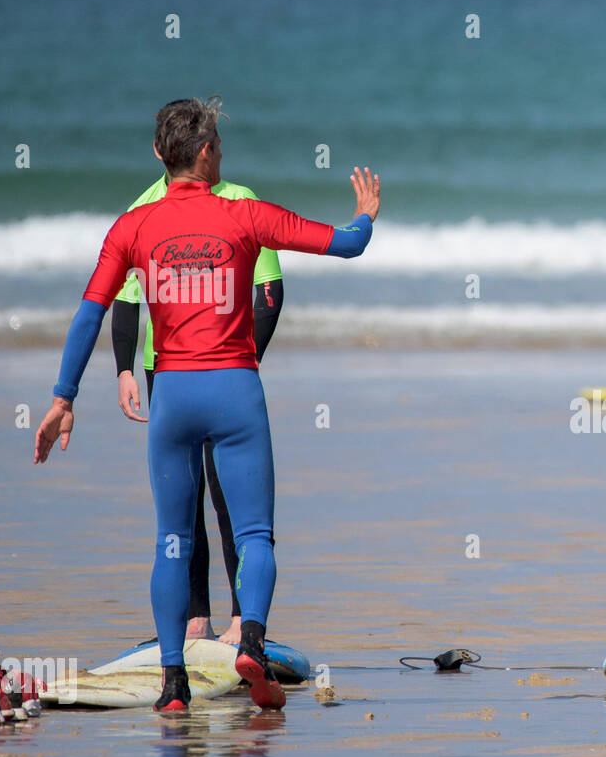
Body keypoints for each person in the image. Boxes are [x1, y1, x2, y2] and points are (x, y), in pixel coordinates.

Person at [34, 97, 381, 710]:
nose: (221, 153)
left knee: (172, 539)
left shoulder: (132, 226)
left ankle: (173, 687)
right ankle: (250, 641)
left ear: (158, 156)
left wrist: (64, 396)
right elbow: (346, 245)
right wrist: (365, 216)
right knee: (254, 537)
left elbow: (91, 311)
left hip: (172, 397)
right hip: (235, 391)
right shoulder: (246, 216)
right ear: (203, 154)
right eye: (217, 144)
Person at [112, 156, 288, 645]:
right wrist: (125, 368)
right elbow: (127, 299)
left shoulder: (241, 200)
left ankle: (240, 621)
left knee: (230, 492)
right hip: (163, 368)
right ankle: (195, 620)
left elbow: (268, 292)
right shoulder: (142, 209)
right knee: (182, 502)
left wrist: (246, 358)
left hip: (227, 367)